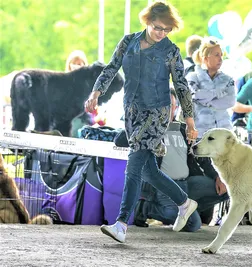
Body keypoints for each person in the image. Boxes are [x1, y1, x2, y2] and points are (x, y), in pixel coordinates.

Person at [84, 1, 199, 243]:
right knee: (150, 171)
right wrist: (96, 93)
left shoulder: (171, 51)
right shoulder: (128, 41)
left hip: (157, 113)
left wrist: (189, 120)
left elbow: (181, 86)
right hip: (132, 113)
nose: (162, 34)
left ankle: (122, 223)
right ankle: (185, 202)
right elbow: (112, 67)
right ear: (147, 21)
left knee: (134, 165)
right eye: (158, 28)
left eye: (167, 30)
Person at [140, 88, 229, 232]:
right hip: (163, 188)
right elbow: (119, 139)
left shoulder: (183, 129)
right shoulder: (148, 128)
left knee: (230, 187)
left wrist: (218, 176)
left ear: (175, 108)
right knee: (193, 225)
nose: (167, 109)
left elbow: (203, 158)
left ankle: (192, 209)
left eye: (171, 105)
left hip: (187, 184)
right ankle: (145, 209)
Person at [185, 37, 236, 138]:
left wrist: (205, 101)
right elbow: (194, 95)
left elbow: (230, 101)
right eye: (216, 55)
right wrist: (218, 93)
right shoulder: (192, 77)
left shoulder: (228, 79)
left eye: (221, 55)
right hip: (200, 133)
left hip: (223, 134)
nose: (220, 58)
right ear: (205, 58)